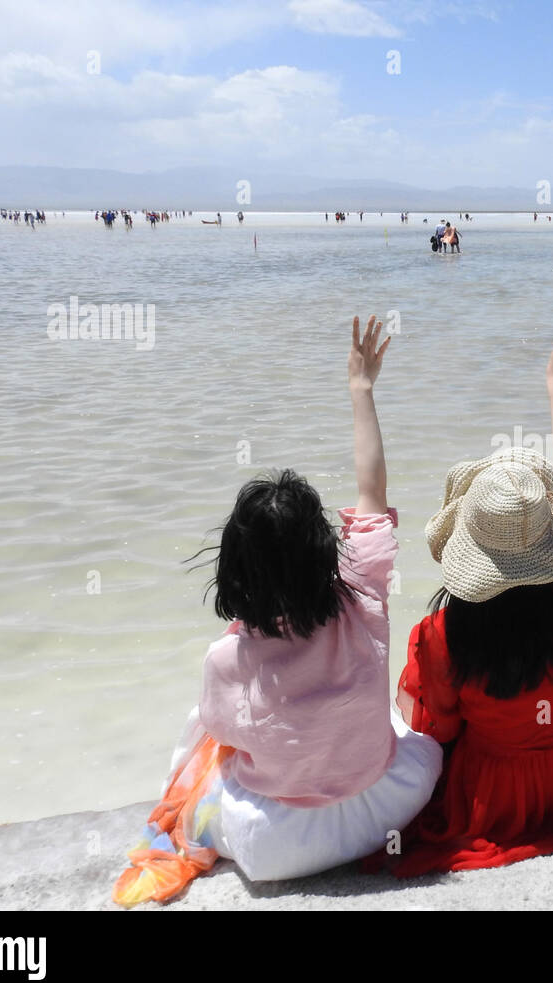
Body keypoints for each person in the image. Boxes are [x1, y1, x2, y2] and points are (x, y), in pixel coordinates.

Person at [113, 317, 442, 906]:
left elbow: (226, 740)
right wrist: (362, 392)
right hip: (389, 806)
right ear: (323, 546)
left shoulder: (227, 659)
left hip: (280, 848)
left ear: (234, 568)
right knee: (418, 743)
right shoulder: (365, 593)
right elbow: (372, 491)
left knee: (205, 745)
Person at [374, 320, 553, 876]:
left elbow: (436, 730)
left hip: (489, 794)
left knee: (407, 709)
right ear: (547, 541)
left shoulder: (442, 635)